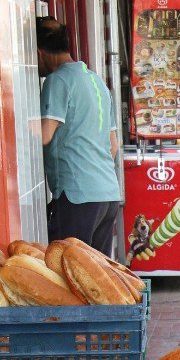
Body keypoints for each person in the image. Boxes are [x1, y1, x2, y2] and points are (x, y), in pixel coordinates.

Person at [37, 20, 121, 255]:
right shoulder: (97, 82)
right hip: (107, 195)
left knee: (69, 273)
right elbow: (113, 146)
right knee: (94, 277)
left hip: (77, 197)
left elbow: (44, 135)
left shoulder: (57, 80)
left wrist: (14, 129)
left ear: (39, 53)